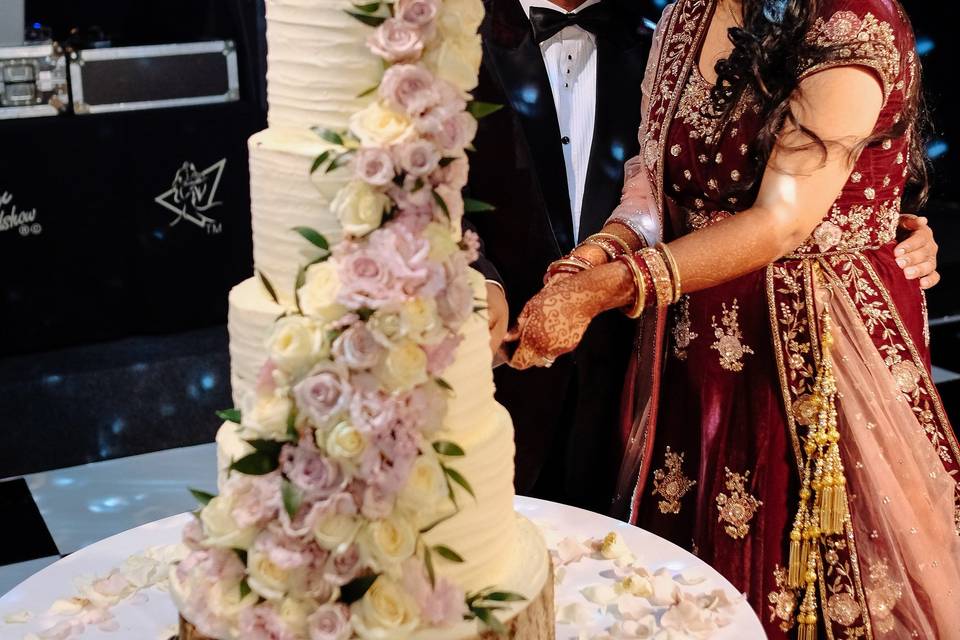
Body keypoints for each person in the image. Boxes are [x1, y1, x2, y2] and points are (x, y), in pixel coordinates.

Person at [505, 0, 960, 636]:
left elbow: (781, 221)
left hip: (810, 355)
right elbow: (651, 192)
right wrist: (583, 268)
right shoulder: (683, 16)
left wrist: (603, 290)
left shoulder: (850, 22)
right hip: (691, 352)